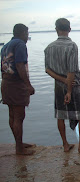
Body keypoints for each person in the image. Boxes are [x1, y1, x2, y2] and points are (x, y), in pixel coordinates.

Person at [44, 18, 80, 153]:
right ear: (69, 29)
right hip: (73, 86)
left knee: (60, 115)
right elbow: (71, 71)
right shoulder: (72, 46)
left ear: (56, 29)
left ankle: (65, 144)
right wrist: (69, 90)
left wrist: (61, 80)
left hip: (58, 86)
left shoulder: (49, 47)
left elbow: (47, 69)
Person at [1, 24, 35, 155]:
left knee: (12, 115)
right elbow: (20, 65)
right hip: (16, 84)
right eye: (27, 33)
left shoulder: (6, 46)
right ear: (22, 33)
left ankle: (18, 144)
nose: (27, 36)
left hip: (6, 83)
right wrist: (28, 85)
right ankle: (19, 149)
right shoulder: (20, 44)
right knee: (19, 117)